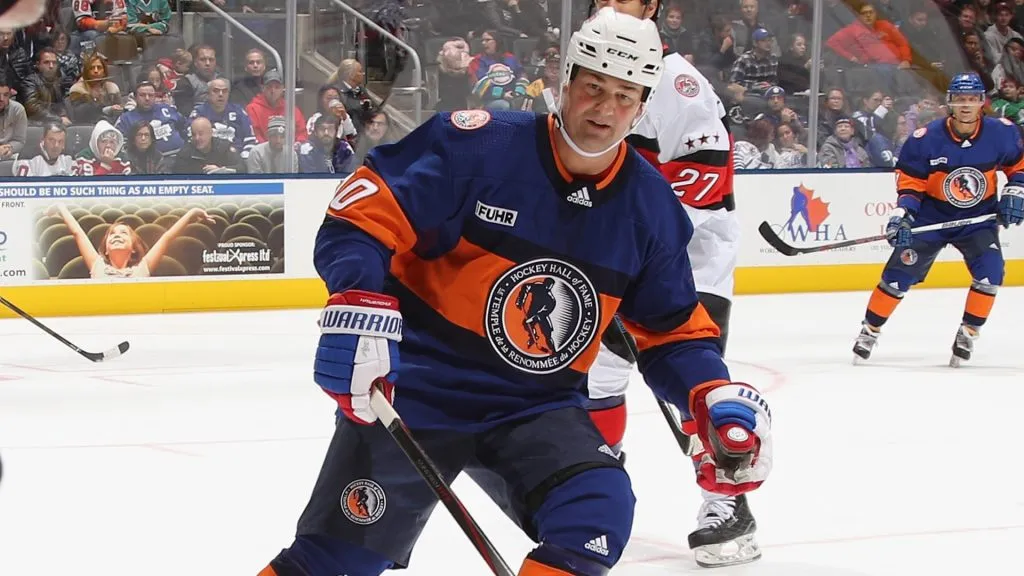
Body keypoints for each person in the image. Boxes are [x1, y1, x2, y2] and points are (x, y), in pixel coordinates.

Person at [261, 8, 772, 576]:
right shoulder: (475, 146)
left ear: (643, 105)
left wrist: (710, 391)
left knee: (596, 514)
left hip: (537, 405)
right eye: (594, 87)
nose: (605, 109)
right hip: (416, 388)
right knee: (335, 560)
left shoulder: (649, 207)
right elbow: (361, 216)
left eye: (625, 96)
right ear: (566, 82)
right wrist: (356, 299)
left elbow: (672, 331)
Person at [586, 0, 755, 568]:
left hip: (689, 257)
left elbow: (703, 180)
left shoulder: (677, 82)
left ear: (653, 6)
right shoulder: (590, 69)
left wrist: (633, 251)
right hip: (612, 258)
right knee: (596, 379)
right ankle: (592, 482)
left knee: (691, 383)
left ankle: (728, 505)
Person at [852, 72, 1024, 367]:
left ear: (982, 102)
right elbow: (910, 184)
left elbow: (1018, 165)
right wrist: (902, 215)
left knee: (991, 273)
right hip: (930, 216)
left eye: (972, 99)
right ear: (950, 103)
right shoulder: (925, 139)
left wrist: (1015, 190)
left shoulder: (1001, 132)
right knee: (897, 277)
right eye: (960, 99)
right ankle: (870, 329)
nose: (966, 105)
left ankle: (968, 332)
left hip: (977, 219)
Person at [48, 202, 211, 279]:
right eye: (112, 234)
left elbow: (167, 238)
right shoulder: (97, 266)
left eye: (124, 233)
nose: (117, 235)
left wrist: (192, 212)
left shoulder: (142, 269)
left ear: (134, 248)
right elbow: (78, 233)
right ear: (105, 249)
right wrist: (61, 207)